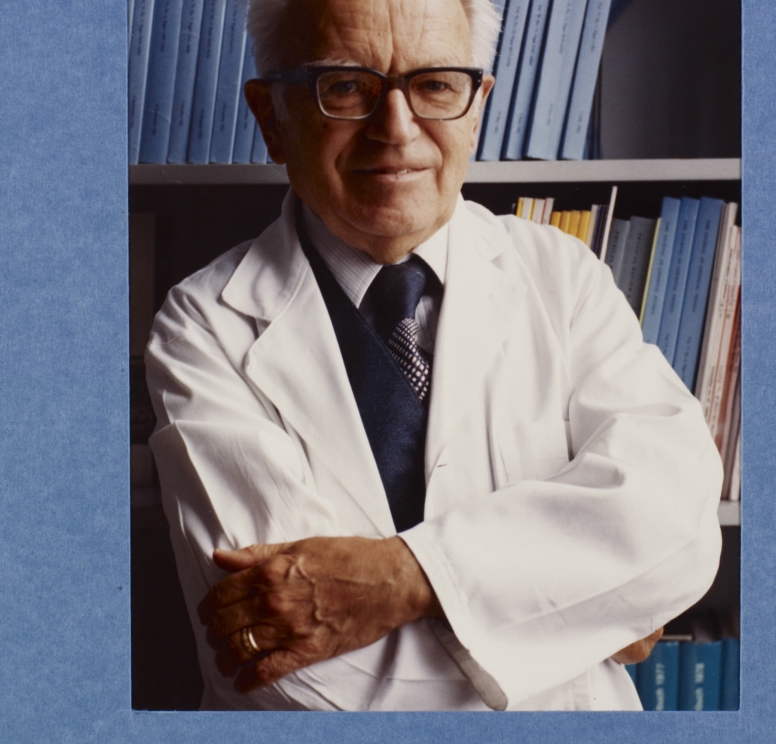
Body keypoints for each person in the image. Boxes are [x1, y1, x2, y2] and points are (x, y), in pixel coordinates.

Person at [145, 0, 723, 711]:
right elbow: (293, 671)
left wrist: (399, 579)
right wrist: (580, 603)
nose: (396, 129)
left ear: (476, 107)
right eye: (347, 87)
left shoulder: (564, 278)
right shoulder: (202, 326)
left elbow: (677, 528)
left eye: (436, 85)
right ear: (271, 118)